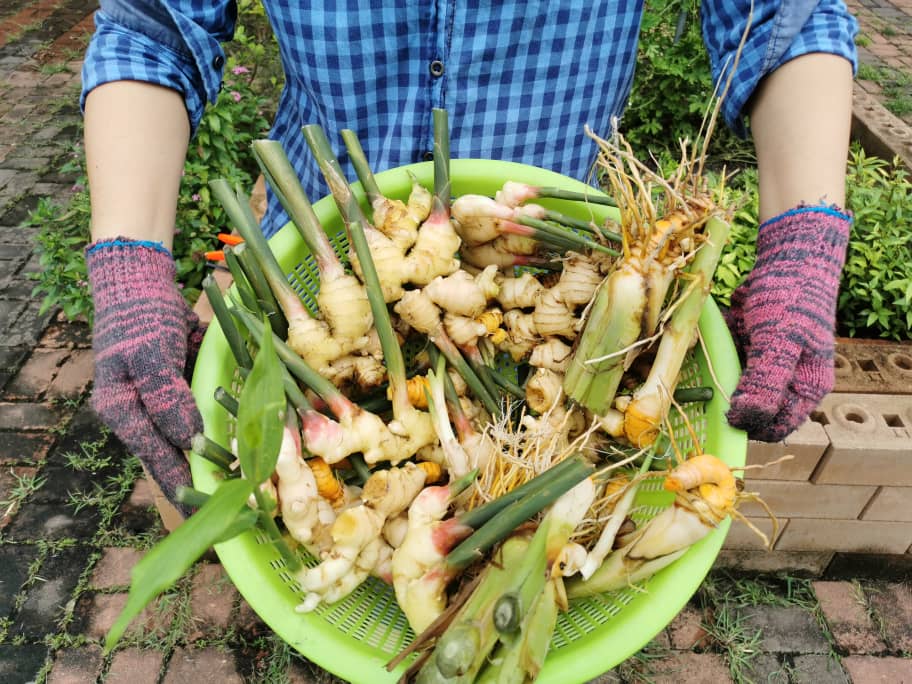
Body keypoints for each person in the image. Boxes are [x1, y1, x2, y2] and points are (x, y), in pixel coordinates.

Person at [79, 0, 859, 513]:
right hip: (315, 273)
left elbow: (787, 16)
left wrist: (804, 234)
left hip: (554, 282)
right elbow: (151, 28)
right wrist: (129, 261)